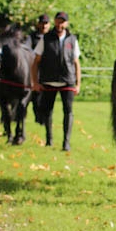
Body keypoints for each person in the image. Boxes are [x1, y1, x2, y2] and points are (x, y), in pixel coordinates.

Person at [31, 11, 81, 151]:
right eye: (58, 21)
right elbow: (36, 62)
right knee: (47, 111)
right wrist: (35, 82)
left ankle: (66, 142)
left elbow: (76, 63)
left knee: (68, 111)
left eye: (62, 21)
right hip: (49, 80)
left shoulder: (72, 39)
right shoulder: (46, 39)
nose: (60, 24)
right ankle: (49, 140)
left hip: (67, 81)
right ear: (54, 22)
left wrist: (78, 84)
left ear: (67, 23)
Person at [29, 14, 51, 123]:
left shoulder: (52, 37)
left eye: (46, 23)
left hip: (49, 69)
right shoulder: (32, 37)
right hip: (36, 68)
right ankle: (38, 116)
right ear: (38, 24)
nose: (44, 26)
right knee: (36, 95)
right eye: (42, 23)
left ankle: (45, 117)